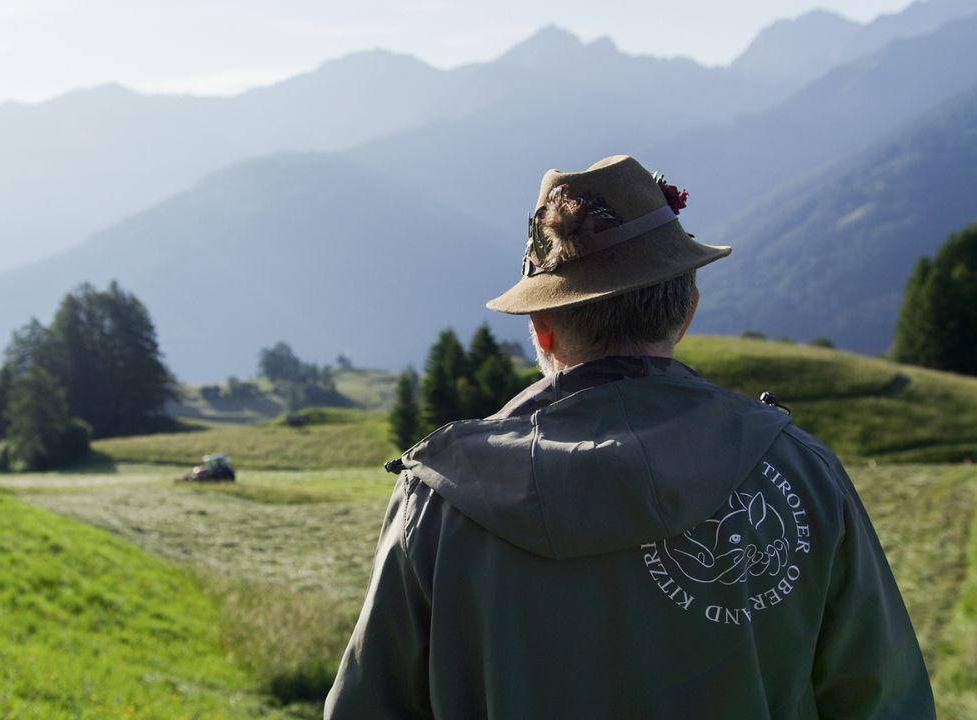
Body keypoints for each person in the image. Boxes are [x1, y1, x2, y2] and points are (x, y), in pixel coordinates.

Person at [324, 155, 934, 719]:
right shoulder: (805, 474)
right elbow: (883, 700)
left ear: (541, 330)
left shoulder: (438, 502)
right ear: (686, 310)